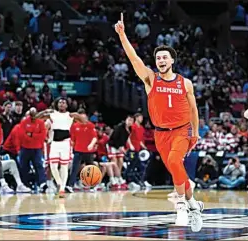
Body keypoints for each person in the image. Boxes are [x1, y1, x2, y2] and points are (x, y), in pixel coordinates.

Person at [115, 13, 203, 231]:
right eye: (158, 58)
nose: (161, 61)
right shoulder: (150, 79)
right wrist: (122, 35)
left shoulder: (186, 83)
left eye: (165, 57)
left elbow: (193, 109)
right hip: (160, 133)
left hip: (182, 130)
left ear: (172, 61)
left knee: (175, 161)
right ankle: (193, 203)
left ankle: (181, 205)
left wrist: (196, 132)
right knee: (176, 169)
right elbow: (134, 58)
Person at [36, 97, 86, 198]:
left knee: (64, 167)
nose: (62, 104)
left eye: (64, 103)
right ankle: (59, 183)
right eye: (60, 102)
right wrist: (45, 111)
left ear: (67, 105)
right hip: (54, 143)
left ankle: (62, 188)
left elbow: (83, 121)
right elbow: (36, 118)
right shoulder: (52, 114)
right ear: (57, 104)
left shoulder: (70, 115)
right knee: (53, 166)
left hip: (65, 143)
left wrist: (77, 115)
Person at [18, 107, 48, 193]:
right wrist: (35, 136)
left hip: (37, 148)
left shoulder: (41, 123)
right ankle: (25, 184)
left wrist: (31, 134)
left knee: (39, 165)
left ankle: (42, 183)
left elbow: (42, 135)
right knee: (24, 167)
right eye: (31, 114)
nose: (32, 116)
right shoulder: (24, 122)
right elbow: (22, 135)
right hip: (25, 148)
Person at [68, 109, 98, 192]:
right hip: (78, 150)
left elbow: (95, 137)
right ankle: (71, 185)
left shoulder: (90, 125)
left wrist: (91, 144)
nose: (83, 119)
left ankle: (92, 186)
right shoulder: (74, 126)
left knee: (90, 168)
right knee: (75, 168)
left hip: (88, 151)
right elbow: (72, 139)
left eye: (84, 117)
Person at [107, 115, 134, 189]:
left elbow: (126, 139)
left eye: (131, 120)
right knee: (114, 161)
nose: (129, 122)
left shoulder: (130, 129)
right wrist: (119, 147)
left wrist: (129, 145)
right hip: (113, 145)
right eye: (128, 120)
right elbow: (115, 138)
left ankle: (118, 176)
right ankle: (113, 178)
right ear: (126, 120)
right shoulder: (119, 127)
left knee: (121, 161)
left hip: (120, 146)